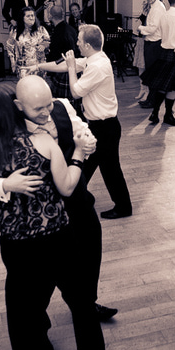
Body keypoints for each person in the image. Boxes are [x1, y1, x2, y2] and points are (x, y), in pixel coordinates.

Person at [0, 82, 108, 350]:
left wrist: (2, 184)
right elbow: (67, 187)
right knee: (77, 295)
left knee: (22, 297)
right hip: (56, 233)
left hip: (15, 238)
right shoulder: (42, 142)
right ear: (17, 108)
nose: (45, 111)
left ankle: (31, 349)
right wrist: (78, 155)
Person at [66, 25, 133, 220]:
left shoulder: (97, 66)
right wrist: (38, 67)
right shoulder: (95, 58)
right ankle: (76, 198)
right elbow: (65, 64)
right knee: (92, 165)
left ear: (87, 45)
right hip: (100, 126)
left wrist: (71, 68)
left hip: (105, 128)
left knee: (107, 169)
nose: (77, 43)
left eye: (79, 40)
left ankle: (122, 207)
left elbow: (76, 92)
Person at [37, 4, 82, 112]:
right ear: (63, 15)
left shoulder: (58, 32)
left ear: (50, 16)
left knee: (62, 106)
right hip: (74, 69)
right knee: (73, 105)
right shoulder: (71, 29)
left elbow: (55, 55)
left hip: (63, 72)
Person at [136, 0, 166, 107]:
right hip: (150, 43)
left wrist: (140, 28)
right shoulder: (153, 6)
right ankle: (150, 99)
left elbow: (153, 29)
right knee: (151, 72)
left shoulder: (158, 8)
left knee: (153, 73)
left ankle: (152, 101)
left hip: (155, 44)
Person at [6, 7, 50, 79]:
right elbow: (9, 46)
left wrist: (44, 45)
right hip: (23, 67)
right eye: (28, 16)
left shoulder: (41, 29)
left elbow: (48, 41)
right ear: (22, 18)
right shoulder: (15, 32)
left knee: (38, 85)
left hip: (38, 66)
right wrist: (12, 62)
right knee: (25, 85)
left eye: (32, 15)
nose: (31, 18)